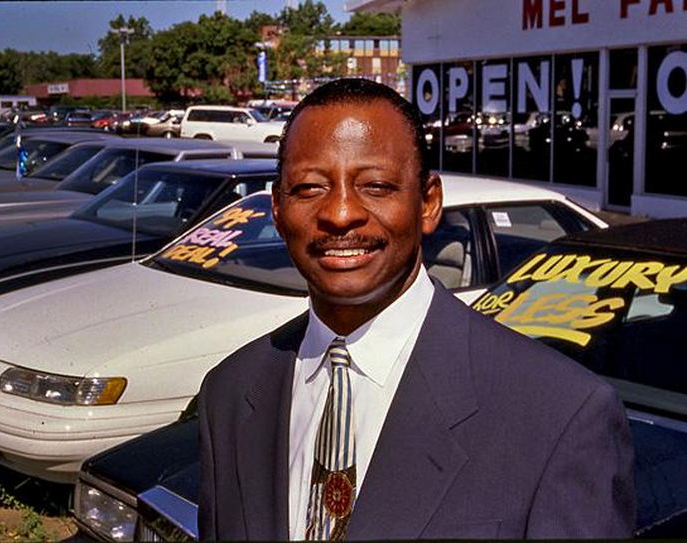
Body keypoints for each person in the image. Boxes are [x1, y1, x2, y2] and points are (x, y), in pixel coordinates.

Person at [197, 78, 635, 540]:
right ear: (279, 210)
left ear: (428, 204)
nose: (341, 213)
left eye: (377, 186)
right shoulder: (229, 394)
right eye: (309, 187)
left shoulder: (560, 414)